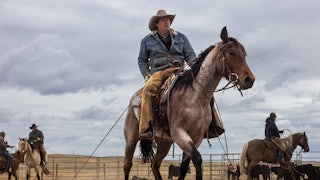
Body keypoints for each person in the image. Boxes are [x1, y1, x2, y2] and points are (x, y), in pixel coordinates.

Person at [137, 9, 224, 140]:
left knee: (204, 90)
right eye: (163, 20)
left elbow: (190, 55)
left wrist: (191, 68)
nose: (167, 22)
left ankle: (212, 124)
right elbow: (142, 60)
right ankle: (146, 128)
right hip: (159, 73)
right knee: (147, 91)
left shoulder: (181, 37)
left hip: (180, 70)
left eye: (168, 20)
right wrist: (146, 75)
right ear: (157, 24)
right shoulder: (147, 40)